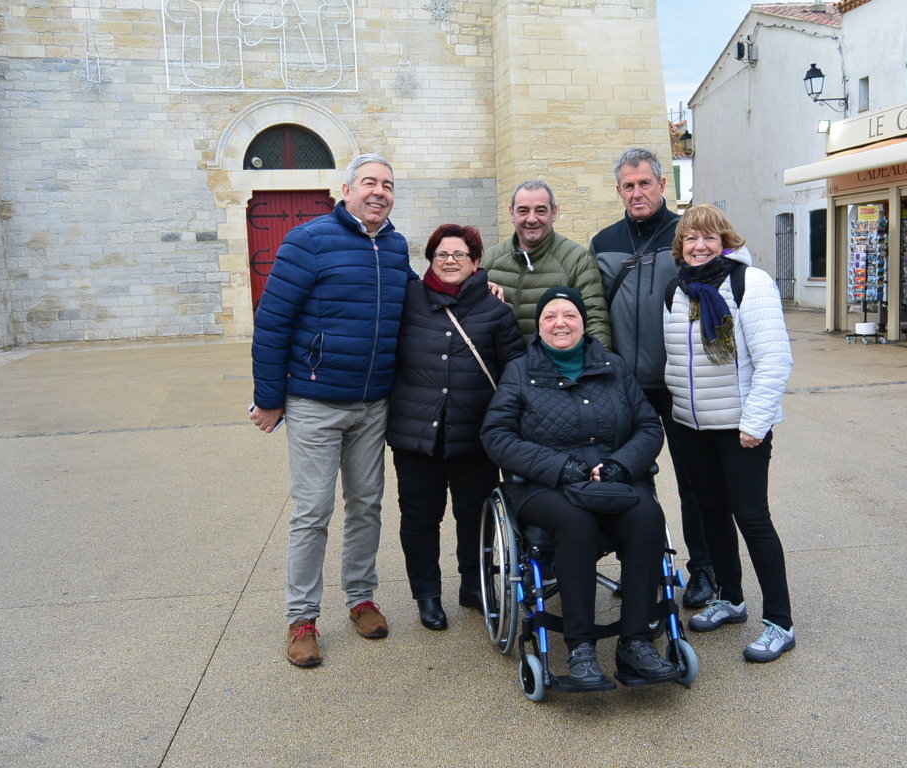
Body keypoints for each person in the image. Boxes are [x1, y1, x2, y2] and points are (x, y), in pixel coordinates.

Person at [250, 153, 412, 667]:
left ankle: (360, 597)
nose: (379, 192)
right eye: (369, 182)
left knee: (366, 504)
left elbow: (417, 301)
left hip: (373, 403)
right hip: (315, 402)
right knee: (313, 510)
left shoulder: (395, 246)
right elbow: (272, 321)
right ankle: (301, 618)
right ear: (346, 190)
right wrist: (269, 398)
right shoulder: (309, 240)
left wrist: (478, 286)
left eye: (387, 185)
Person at [480, 286, 678, 690]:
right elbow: (496, 435)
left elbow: (647, 426)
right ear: (539, 326)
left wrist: (622, 464)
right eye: (550, 316)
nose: (560, 324)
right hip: (545, 487)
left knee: (647, 517)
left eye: (569, 315)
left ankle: (636, 642)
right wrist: (560, 467)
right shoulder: (519, 371)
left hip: (612, 482)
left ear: (583, 324)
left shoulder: (613, 366)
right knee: (575, 522)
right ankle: (581, 648)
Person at [661, 204, 796, 662]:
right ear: (681, 246)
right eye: (691, 238)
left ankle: (780, 623)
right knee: (711, 514)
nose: (699, 246)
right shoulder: (676, 290)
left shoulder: (749, 283)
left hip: (740, 429)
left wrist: (755, 424)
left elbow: (774, 360)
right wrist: (679, 412)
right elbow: (676, 360)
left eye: (709, 238)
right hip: (692, 426)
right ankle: (730, 598)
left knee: (752, 518)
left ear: (726, 242)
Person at [590, 147, 716, 610]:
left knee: (695, 482)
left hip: (680, 381)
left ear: (663, 185)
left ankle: (704, 569)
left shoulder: (687, 236)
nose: (637, 192)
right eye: (628, 185)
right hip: (626, 385)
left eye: (645, 183)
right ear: (618, 190)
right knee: (628, 480)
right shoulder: (603, 242)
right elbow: (594, 308)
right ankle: (640, 569)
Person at [386, 223, 524, 631]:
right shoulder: (408, 299)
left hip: (475, 436)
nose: (449, 261)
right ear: (430, 260)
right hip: (417, 436)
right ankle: (427, 594)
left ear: (476, 261)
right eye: (441, 254)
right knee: (420, 518)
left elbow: (513, 374)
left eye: (459, 254)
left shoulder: (496, 311)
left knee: (474, 516)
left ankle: (474, 584)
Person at [482, 180, 611, 347]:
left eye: (540, 211)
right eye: (523, 211)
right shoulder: (490, 259)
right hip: (502, 362)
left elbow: (595, 321)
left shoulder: (577, 259)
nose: (531, 219)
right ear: (511, 213)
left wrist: (602, 361)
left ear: (554, 212)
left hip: (555, 362)